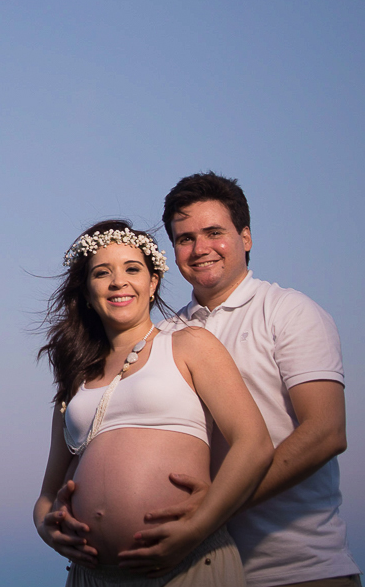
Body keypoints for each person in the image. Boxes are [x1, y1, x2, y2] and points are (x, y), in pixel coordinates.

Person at [148, 173, 360, 587]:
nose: (200, 248)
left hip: (300, 571)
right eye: (185, 238)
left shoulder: (289, 311)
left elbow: (327, 432)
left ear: (245, 237)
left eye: (214, 233)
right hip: (197, 574)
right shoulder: (165, 335)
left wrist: (215, 506)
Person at [33, 220, 273, 586]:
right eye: (102, 272)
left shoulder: (189, 345)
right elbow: (47, 495)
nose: (119, 282)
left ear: (153, 283)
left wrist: (197, 527)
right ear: (86, 291)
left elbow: (254, 445)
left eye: (132, 269)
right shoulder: (74, 380)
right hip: (91, 576)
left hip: (188, 564)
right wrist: (46, 530)